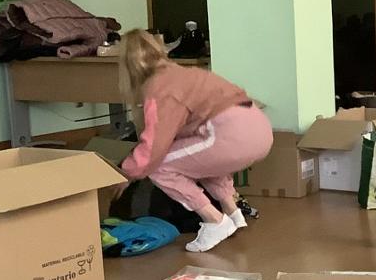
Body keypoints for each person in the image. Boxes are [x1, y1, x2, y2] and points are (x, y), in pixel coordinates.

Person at [117, 29, 274, 253]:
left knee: (160, 166)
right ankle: (233, 212)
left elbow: (154, 147)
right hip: (259, 128)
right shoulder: (184, 73)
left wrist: (126, 172)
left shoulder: (159, 87)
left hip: (232, 135)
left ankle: (214, 221)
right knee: (199, 158)